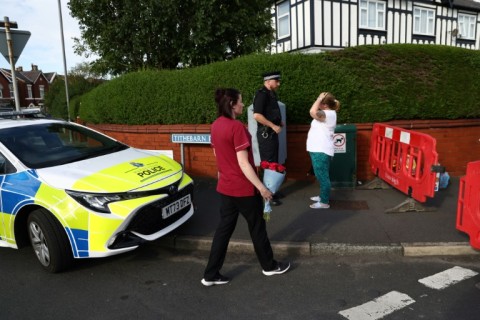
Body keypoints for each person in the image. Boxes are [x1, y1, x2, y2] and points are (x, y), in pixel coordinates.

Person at [201, 88, 290, 287]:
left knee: (223, 230)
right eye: (240, 101)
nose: (243, 105)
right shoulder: (237, 127)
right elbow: (243, 164)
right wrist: (262, 189)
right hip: (243, 189)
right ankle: (269, 266)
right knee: (257, 228)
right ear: (232, 104)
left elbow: (218, 158)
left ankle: (210, 274)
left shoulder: (215, 126)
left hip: (225, 188)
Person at [253, 71, 284, 206]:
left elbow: (270, 112)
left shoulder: (271, 94)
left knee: (274, 162)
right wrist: (273, 125)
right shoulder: (262, 94)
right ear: (268, 81)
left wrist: (278, 122)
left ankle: (272, 190)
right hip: (266, 133)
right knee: (268, 163)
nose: (278, 83)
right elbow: (257, 116)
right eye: (276, 81)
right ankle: (267, 195)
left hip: (271, 133)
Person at [306, 92, 340, 209]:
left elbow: (312, 112)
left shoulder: (328, 114)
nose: (317, 102)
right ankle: (322, 196)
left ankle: (324, 202)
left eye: (320, 101)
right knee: (320, 174)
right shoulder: (327, 113)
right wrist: (319, 99)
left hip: (321, 150)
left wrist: (319, 98)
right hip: (318, 149)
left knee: (322, 176)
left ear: (324, 104)